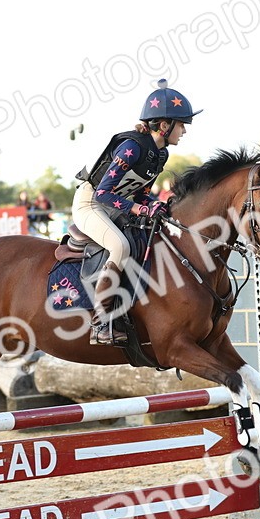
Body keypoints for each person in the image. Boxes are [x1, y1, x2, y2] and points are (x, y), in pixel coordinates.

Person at [72, 78, 200, 345]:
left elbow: (141, 191)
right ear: (164, 125)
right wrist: (139, 207)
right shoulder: (132, 148)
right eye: (182, 125)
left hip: (114, 205)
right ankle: (100, 323)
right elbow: (102, 193)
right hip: (90, 204)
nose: (185, 131)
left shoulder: (160, 154)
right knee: (121, 246)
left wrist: (152, 204)